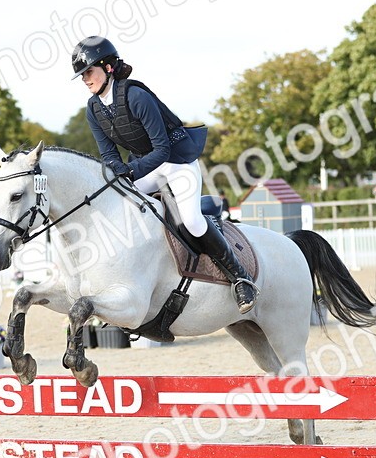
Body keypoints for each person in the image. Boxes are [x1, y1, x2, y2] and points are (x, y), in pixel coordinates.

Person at [72, 36, 256, 313]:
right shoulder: (93, 109)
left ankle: (240, 277)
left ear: (108, 67)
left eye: (88, 71)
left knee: (192, 222)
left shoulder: (137, 96)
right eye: (82, 75)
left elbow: (162, 149)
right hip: (147, 169)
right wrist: (116, 173)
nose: (85, 79)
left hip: (176, 163)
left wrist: (130, 171)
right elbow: (108, 153)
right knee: (117, 210)